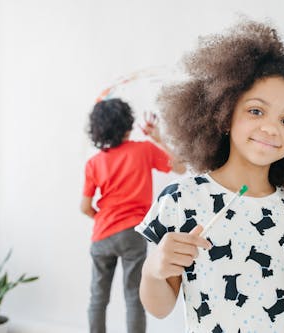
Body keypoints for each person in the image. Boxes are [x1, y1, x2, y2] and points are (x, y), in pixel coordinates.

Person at [135, 20, 284, 332]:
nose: (271, 128)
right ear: (225, 114)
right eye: (256, 111)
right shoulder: (183, 200)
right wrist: (153, 269)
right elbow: (159, 308)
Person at [81, 98, 185, 333]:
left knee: (98, 298)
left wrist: (100, 217)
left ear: (98, 129)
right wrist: (158, 138)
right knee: (134, 297)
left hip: (101, 235)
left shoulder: (94, 163)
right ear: (128, 124)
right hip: (132, 234)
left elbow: (84, 206)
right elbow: (180, 167)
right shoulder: (144, 150)